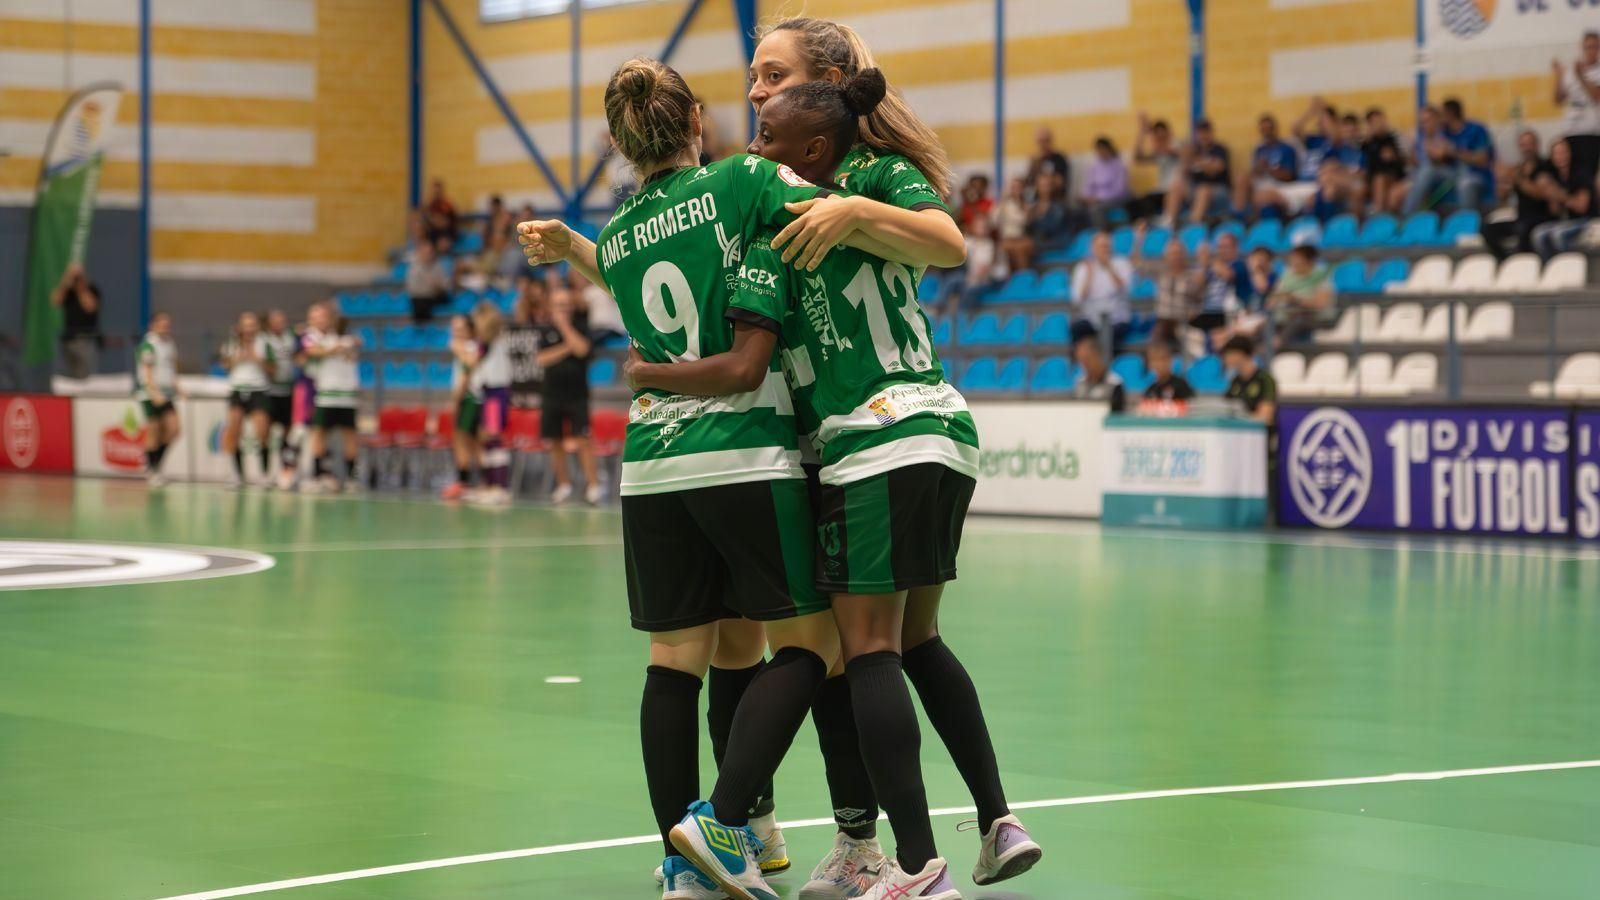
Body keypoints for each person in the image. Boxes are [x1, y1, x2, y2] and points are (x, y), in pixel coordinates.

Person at [626, 69, 1038, 900]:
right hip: (941, 422)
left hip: (860, 438)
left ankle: (893, 862)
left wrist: (645, 368)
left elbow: (742, 353)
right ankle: (990, 821)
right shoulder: (878, 182)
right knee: (914, 642)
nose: (755, 135)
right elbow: (937, 237)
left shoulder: (777, 216)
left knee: (856, 651)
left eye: (769, 100)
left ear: (811, 140)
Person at [516, 58, 842, 900]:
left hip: (653, 466)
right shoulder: (741, 181)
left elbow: (635, 272)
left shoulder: (622, 232)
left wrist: (572, 246)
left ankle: (684, 867)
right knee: (813, 647)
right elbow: (826, 209)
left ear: (620, 143)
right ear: (697, 118)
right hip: (740, 450)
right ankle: (722, 825)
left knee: (681, 660)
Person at [532, 287, 602, 505]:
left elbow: (582, 350)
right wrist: (566, 347)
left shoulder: (582, 327)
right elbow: (541, 359)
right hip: (551, 394)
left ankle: (593, 486)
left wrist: (565, 328)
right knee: (555, 441)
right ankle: (564, 485)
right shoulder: (545, 331)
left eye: (566, 304)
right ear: (551, 307)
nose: (563, 309)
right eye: (558, 305)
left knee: (583, 440)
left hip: (577, 395)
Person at [1404, 99, 1494, 213]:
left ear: (1450, 114)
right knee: (1427, 171)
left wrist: (1453, 152)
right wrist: (1427, 140)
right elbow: (1435, 158)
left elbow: (1482, 160)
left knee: (1465, 183)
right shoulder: (1445, 132)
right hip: (1453, 173)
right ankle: (1407, 216)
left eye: (1442, 115)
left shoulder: (1476, 129)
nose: (1440, 119)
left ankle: (1465, 220)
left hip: (1474, 174)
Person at [304, 313, 361, 493]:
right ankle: (329, 476)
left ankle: (343, 477)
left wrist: (337, 347)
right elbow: (312, 351)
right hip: (337, 395)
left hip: (336, 395)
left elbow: (313, 351)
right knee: (330, 435)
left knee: (337, 435)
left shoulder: (339, 342)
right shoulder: (345, 342)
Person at [219, 312, 274, 489]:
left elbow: (273, 369)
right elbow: (225, 366)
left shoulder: (265, 343)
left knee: (262, 432)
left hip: (258, 390)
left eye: (252, 325)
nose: (249, 329)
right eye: (246, 325)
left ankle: (264, 474)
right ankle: (236, 473)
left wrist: (258, 360)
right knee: (234, 430)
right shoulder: (231, 344)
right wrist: (236, 359)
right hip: (237, 390)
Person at [467, 302, 514, 506]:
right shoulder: (483, 342)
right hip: (486, 393)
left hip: (496, 393)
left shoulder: (495, 337)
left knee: (493, 439)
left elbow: (488, 330)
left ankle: (500, 487)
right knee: (486, 439)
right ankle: (490, 484)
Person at [1484, 130, 1556, 259]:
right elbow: (1502, 196)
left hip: (1542, 217)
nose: (1527, 148)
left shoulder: (1546, 166)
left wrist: (1517, 178)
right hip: (1522, 218)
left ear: (1537, 145)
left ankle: (1524, 261)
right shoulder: (1519, 169)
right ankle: (1505, 260)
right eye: (1523, 145)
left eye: (1530, 144)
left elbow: (1540, 194)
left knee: (1523, 229)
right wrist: (1501, 180)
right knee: (1488, 229)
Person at [134, 312, 180, 488]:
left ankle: (155, 463)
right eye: (161, 323)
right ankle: (152, 470)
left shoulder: (169, 343)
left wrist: (178, 387)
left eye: (167, 324)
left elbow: (172, 368)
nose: (165, 327)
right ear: (152, 325)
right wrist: (154, 392)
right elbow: (147, 372)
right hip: (150, 394)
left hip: (167, 393)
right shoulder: (148, 345)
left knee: (174, 429)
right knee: (154, 430)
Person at [1530, 138, 1596, 259]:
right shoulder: (1554, 175)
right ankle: (1551, 266)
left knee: (1558, 234)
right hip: (1565, 220)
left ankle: (1569, 265)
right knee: (1538, 233)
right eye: (1556, 153)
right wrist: (1549, 194)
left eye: (1563, 152)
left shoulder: (1580, 173)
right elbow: (1555, 212)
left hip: (1585, 219)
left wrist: (1559, 194)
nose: (1560, 157)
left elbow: (1581, 207)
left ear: (1569, 153)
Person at [441, 315, 481, 501]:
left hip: (469, 398)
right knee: (464, 440)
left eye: (460, 329)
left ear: (470, 330)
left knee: (464, 441)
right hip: (467, 398)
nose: (456, 333)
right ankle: (466, 481)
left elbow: (468, 371)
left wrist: (456, 399)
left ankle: (466, 483)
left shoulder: (470, 347)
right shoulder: (466, 348)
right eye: (454, 329)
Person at [1070, 231, 1132, 348]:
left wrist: (1109, 267)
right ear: (1093, 248)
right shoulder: (1083, 267)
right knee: (1076, 329)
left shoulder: (1122, 263)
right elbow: (1078, 299)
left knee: (1110, 338)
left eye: (1106, 246)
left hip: (1116, 318)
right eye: (1100, 247)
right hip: (1091, 318)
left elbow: (1125, 291)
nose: (1104, 250)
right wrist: (1089, 275)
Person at [1265, 245, 1335, 347]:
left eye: (1297, 260)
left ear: (1309, 261)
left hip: (1315, 317)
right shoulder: (1288, 275)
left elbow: (1321, 304)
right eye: (1292, 260)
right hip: (1288, 315)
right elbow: (1273, 299)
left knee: (1299, 320)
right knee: (1266, 321)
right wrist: (1275, 301)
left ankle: (1275, 344)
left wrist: (1295, 299)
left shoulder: (1321, 277)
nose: (1294, 263)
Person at [1554, 31, 1600, 176]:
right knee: (1571, 171)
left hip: (1591, 129)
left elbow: (1596, 96)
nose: (1590, 50)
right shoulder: (1571, 70)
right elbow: (1558, 100)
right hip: (1570, 128)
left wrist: (1581, 76)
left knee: (1587, 172)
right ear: (1581, 48)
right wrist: (1558, 77)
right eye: (1587, 47)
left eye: (1594, 47)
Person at [262, 310, 299, 489]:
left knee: (288, 434)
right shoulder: (264, 340)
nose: (280, 324)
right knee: (266, 432)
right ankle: (266, 472)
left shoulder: (290, 337)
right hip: (270, 391)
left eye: (282, 320)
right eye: (276, 321)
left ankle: (286, 471)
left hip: (288, 391)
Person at [1236, 113, 1299, 215]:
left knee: (1261, 195)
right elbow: (1254, 174)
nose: (1266, 132)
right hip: (1261, 183)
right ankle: (1239, 216)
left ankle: (1250, 218)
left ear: (1275, 129)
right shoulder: (1259, 150)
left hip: (1278, 184)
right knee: (1241, 178)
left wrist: (1268, 169)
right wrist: (1257, 169)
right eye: (1263, 130)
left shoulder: (1286, 148)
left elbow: (1289, 176)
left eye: (1268, 129)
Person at [1173, 119, 1231, 224]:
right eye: (1200, 133)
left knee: (1203, 190)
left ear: (1211, 133)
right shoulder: (1194, 150)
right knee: (1177, 185)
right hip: (1196, 189)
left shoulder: (1219, 149)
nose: (1203, 136)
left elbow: (1216, 169)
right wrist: (1185, 160)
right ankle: (1169, 222)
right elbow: (1183, 174)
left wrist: (1196, 160)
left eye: (1206, 132)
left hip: (1218, 190)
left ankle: (1194, 224)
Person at [50, 263, 100, 379]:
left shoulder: (92, 289)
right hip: (68, 340)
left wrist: (81, 286)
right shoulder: (68, 292)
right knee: (69, 377)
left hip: (85, 339)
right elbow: (55, 301)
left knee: (86, 376)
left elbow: (90, 306)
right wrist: (66, 279)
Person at [1151, 240, 1203, 349]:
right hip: (1164, 321)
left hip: (1184, 320)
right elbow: (1137, 263)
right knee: (1157, 333)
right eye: (1172, 254)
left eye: (1178, 253)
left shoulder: (1192, 277)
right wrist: (1139, 238)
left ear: (1184, 256)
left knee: (1195, 340)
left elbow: (1200, 301)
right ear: (1166, 256)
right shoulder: (1160, 274)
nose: (1176, 257)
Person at [1133, 113, 1181, 223]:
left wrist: (1150, 132)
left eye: (1162, 135)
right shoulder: (1159, 150)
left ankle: (1162, 223)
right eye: (1157, 136)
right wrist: (1141, 133)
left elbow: (1174, 151)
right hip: (1161, 190)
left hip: (1174, 191)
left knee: (1153, 202)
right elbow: (1137, 158)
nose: (1160, 138)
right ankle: (1145, 226)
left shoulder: (1176, 144)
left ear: (1168, 133)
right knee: (1135, 204)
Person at [1221, 335, 1278, 425]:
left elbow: (1266, 417)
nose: (1225, 358)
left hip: (1259, 431)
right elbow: (1225, 408)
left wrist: (1241, 417)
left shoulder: (1265, 379)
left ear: (1240, 354)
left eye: (1228, 354)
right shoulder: (1235, 381)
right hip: (1238, 429)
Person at [1362, 107, 1407, 214]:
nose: (1379, 125)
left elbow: (1406, 162)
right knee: (1376, 180)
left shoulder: (1395, 137)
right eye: (1375, 122)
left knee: (1381, 180)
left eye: (1380, 120)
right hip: (1371, 179)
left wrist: (1394, 157)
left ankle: (1378, 214)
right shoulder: (1367, 143)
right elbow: (1365, 165)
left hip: (1395, 176)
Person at [1081, 136, 1131, 229]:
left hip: (1115, 199)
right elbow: (1088, 185)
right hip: (1096, 200)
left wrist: (1098, 199)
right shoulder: (1094, 166)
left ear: (1109, 149)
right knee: (1077, 210)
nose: (1101, 152)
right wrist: (1087, 196)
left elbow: (1119, 190)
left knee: (1096, 209)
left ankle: (1103, 233)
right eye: (1098, 150)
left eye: (1103, 149)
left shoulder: (1119, 166)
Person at [1070, 336, 1126, 413]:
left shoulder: (1115, 384)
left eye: (1088, 359)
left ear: (1098, 356)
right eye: (1081, 361)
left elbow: (1117, 415)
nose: (1085, 365)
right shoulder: (1080, 384)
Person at [405, 240, 451, 322]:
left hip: (436, 296)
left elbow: (446, 284)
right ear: (420, 253)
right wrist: (431, 287)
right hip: (421, 298)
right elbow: (413, 289)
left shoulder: (438, 266)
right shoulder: (414, 268)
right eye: (426, 252)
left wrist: (437, 286)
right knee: (420, 305)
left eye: (430, 252)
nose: (428, 254)